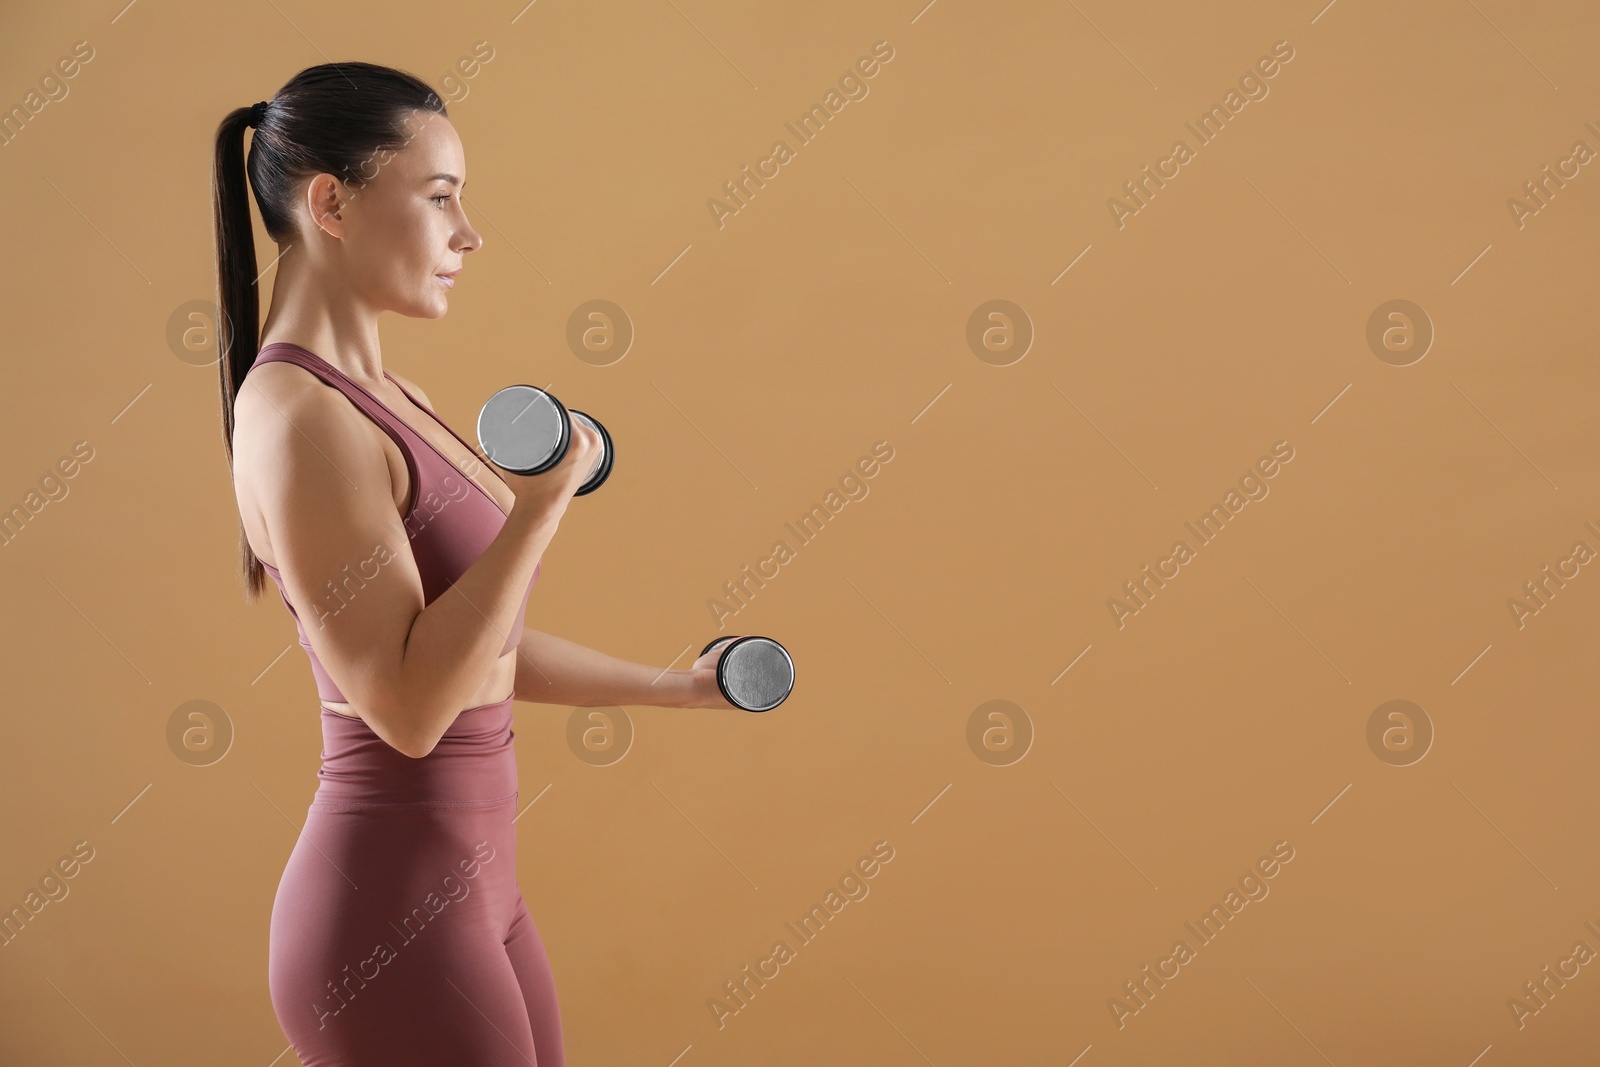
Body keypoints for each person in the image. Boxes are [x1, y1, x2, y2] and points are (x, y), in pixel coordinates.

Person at [213, 61, 737, 1066]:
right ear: (331, 202)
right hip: (387, 914)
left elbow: (468, 649)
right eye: (441, 198)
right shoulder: (296, 419)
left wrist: (675, 686)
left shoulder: (385, 393)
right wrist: (537, 512)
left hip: (480, 892)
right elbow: (407, 708)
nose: (469, 235)